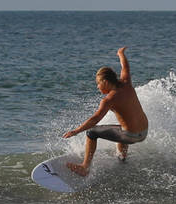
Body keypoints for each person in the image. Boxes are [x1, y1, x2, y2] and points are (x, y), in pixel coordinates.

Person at [63, 46, 149, 176]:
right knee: (122, 128)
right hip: (144, 132)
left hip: (131, 136)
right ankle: (122, 159)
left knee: (92, 132)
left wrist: (76, 131)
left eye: (98, 83)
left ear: (105, 82)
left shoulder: (109, 100)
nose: (97, 87)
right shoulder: (126, 82)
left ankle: (85, 167)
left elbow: (95, 119)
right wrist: (121, 54)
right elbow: (125, 66)